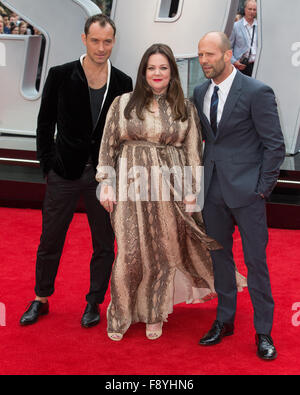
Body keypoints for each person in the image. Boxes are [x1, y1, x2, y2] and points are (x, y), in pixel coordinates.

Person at [96, 43, 246, 341]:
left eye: (163, 68)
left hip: (170, 188)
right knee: (129, 252)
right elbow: (108, 147)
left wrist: (192, 192)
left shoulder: (184, 107)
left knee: (163, 253)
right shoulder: (122, 103)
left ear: (172, 73)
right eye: (151, 67)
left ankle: (154, 313)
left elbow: (193, 154)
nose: (157, 73)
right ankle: (121, 313)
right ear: (143, 72)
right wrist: (106, 183)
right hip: (130, 185)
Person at [20, 14, 133, 328]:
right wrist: (48, 165)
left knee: (104, 244)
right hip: (64, 173)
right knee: (50, 239)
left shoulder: (123, 82)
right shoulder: (60, 74)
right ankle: (41, 298)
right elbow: (45, 125)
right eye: (95, 40)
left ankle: (94, 302)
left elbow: (123, 133)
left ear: (114, 42)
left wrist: (116, 175)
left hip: (104, 179)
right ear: (84, 39)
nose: (101, 47)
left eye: (107, 41)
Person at [193, 32, 285, 360]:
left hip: (248, 194)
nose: (204, 60)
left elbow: (275, 145)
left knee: (256, 263)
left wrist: (261, 188)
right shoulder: (199, 91)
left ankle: (263, 332)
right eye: (200, 54)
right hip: (213, 189)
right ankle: (225, 319)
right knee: (220, 259)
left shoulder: (256, 91)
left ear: (228, 54)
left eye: (210, 54)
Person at [230, 0, 258, 76]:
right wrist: (234, 61)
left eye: (254, 9)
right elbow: (228, 47)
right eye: (250, 9)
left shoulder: (260, 27)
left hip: (257, 65)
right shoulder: (236, 26)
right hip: (241, 66)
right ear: (245, 9)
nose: (252, 12)